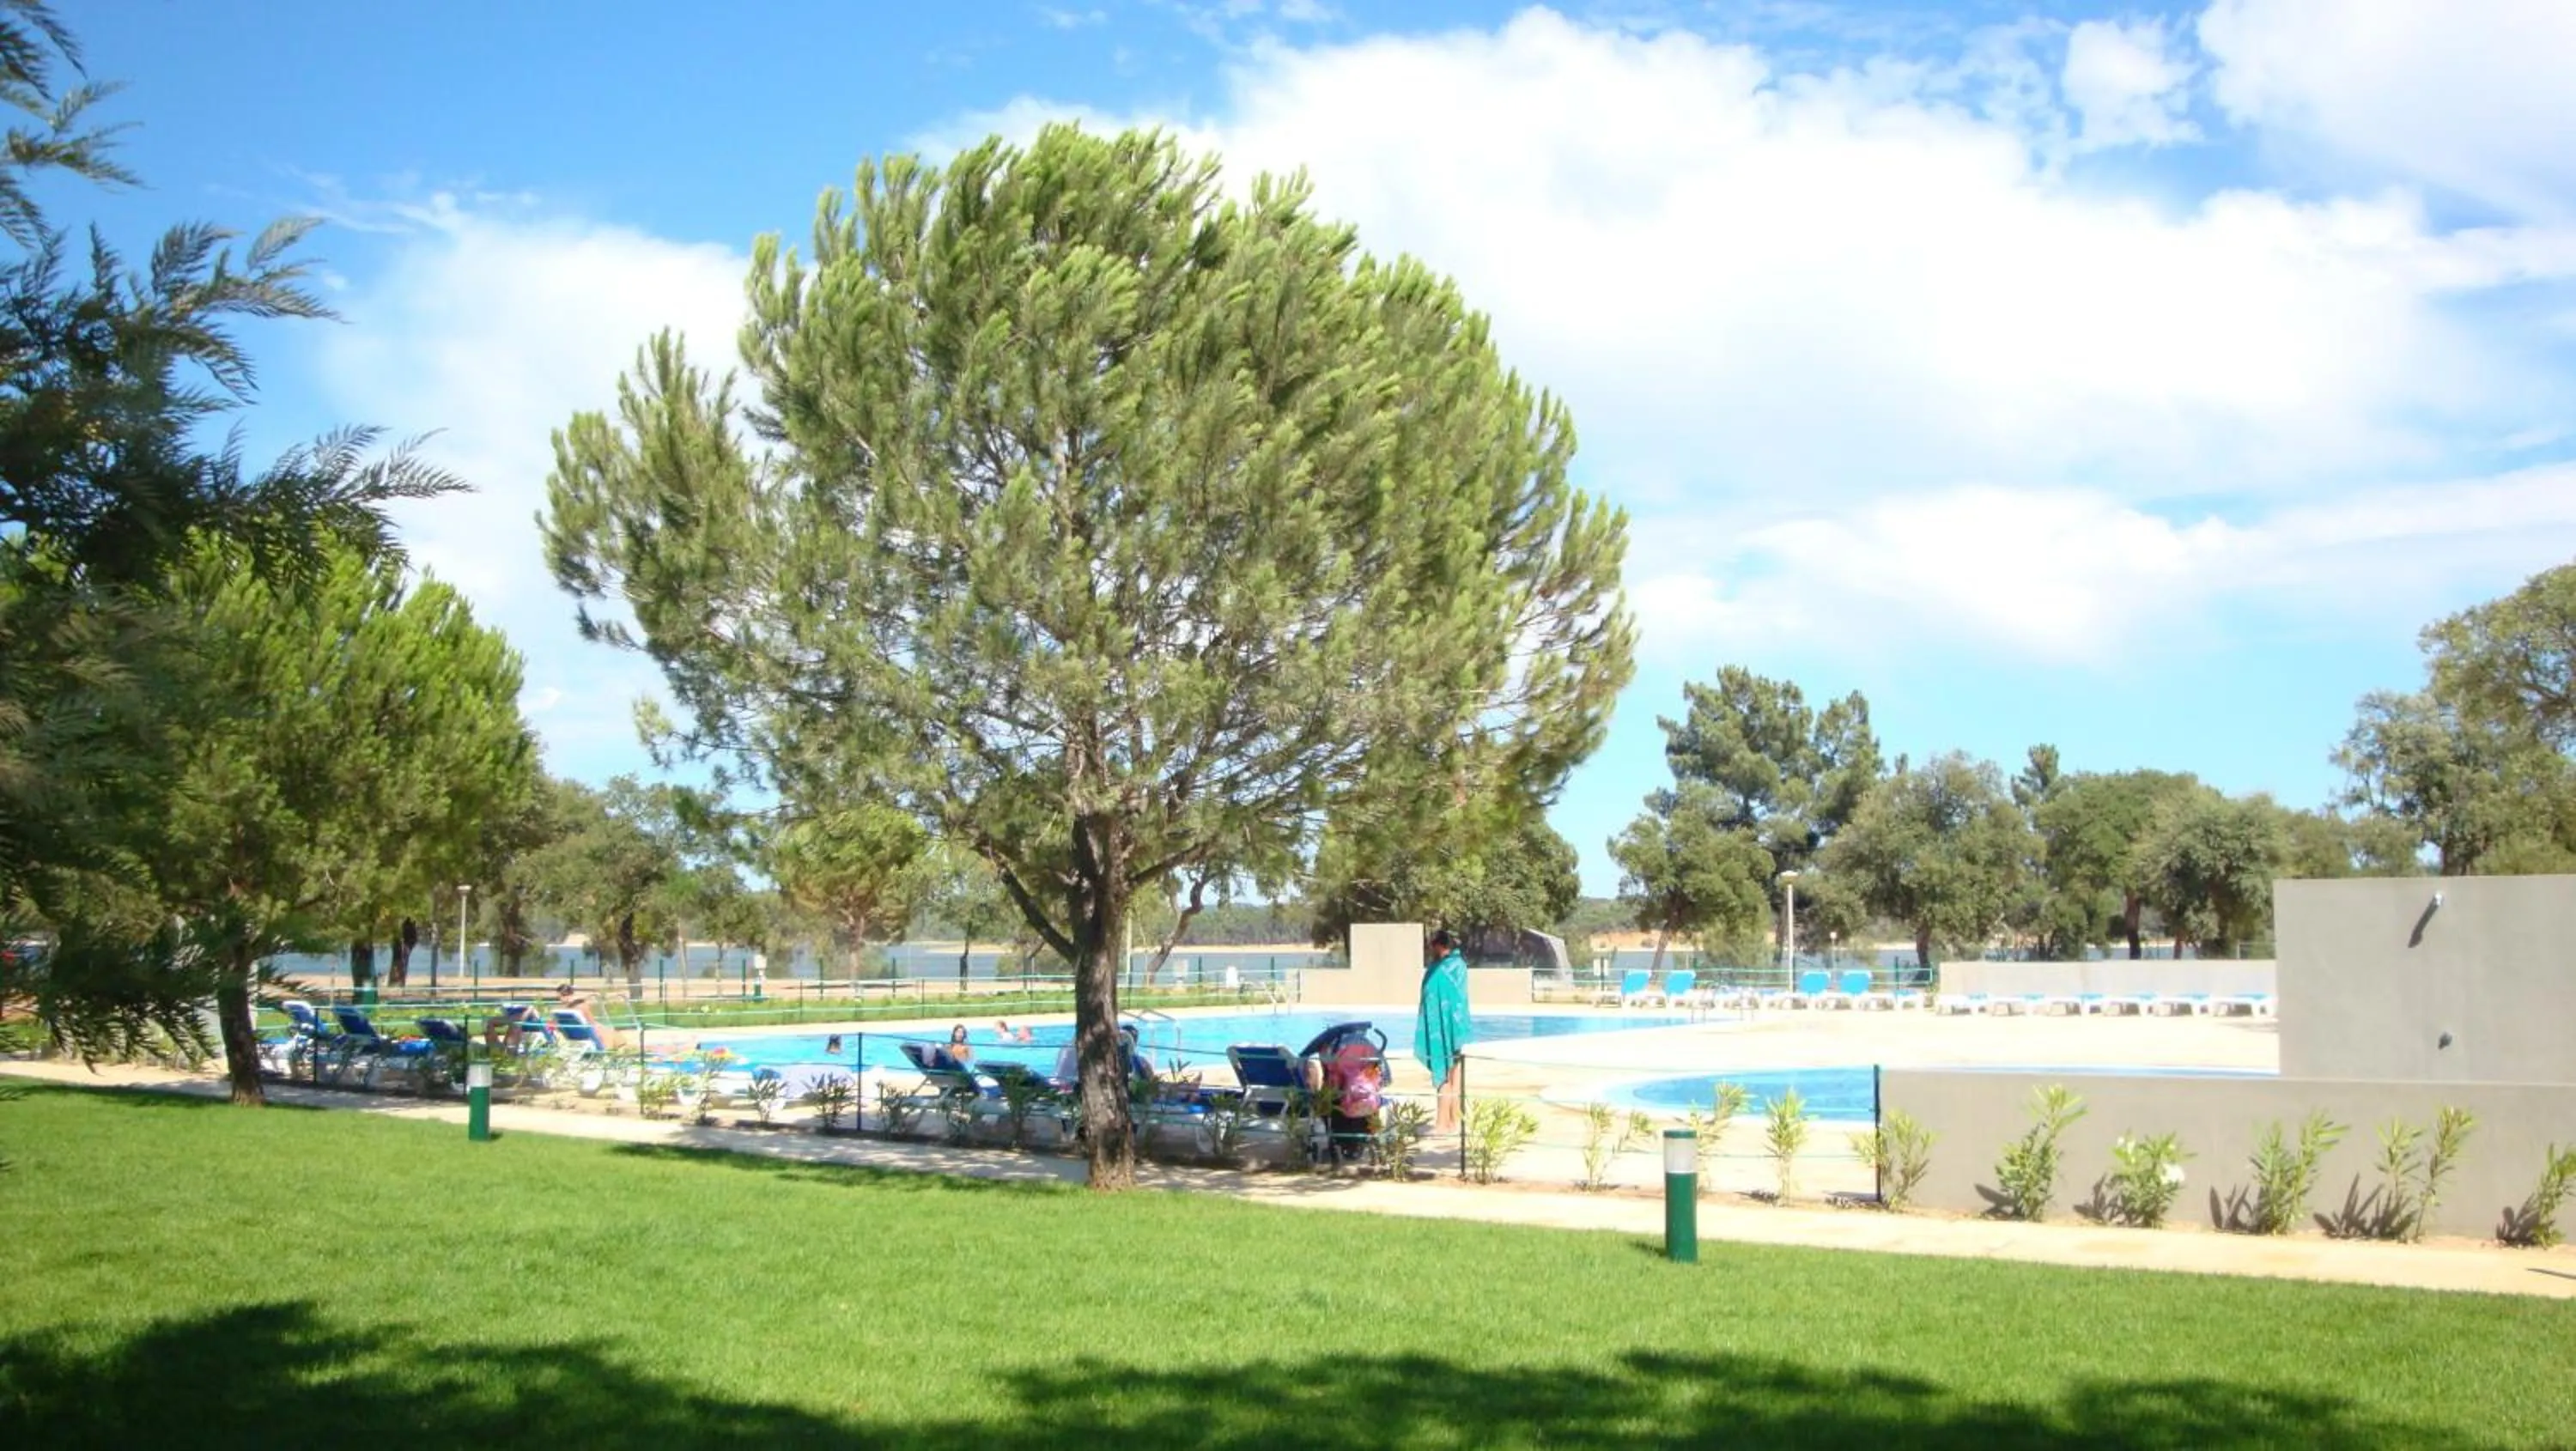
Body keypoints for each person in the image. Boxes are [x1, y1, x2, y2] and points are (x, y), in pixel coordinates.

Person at [1415, 928, 1473, 1134]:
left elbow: (1448, 997)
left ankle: (1443, 1122)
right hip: (1448, 1027)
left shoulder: (1446, 968)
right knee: (1453, 1073)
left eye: (1432, 945)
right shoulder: (1456, 965)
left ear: (1439, 945)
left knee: (1445, 1074)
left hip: (1445, 1028)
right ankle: (1453, 1120)